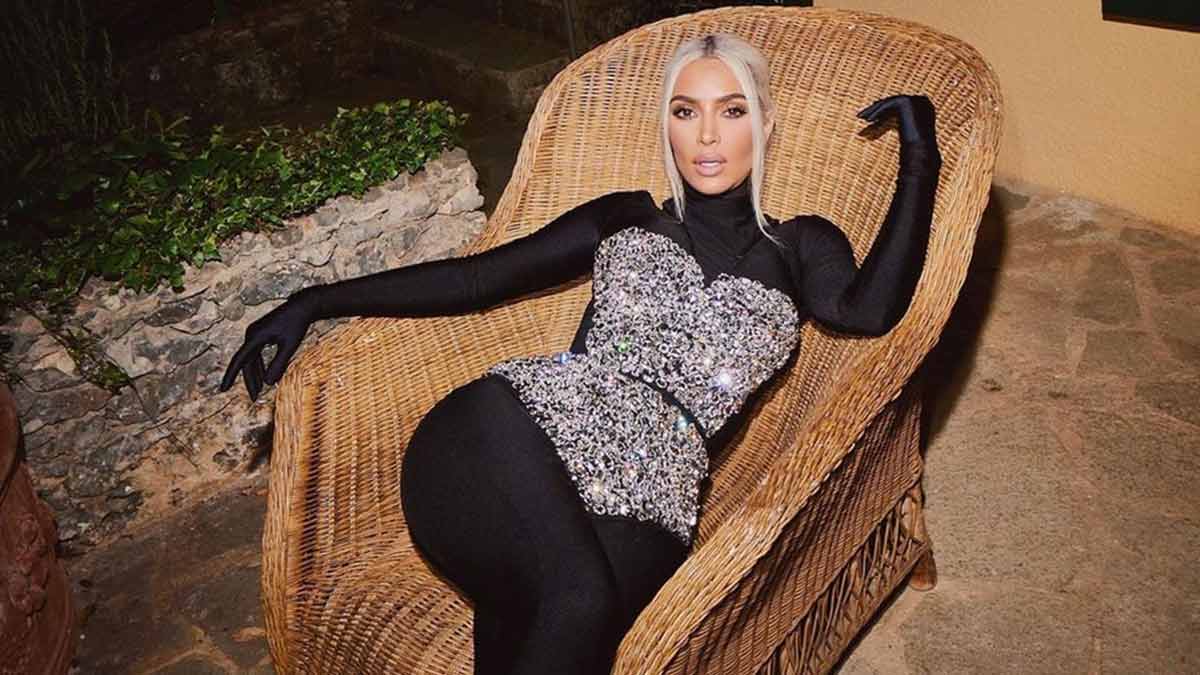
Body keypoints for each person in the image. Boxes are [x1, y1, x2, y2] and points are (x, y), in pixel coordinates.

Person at [219, 32, 940, 675]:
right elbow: (477, 279)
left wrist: (919, 156)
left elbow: (869, 310)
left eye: (732, 110)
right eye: (685, 111)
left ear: (765, 123)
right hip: (517, 427)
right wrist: (317, 299)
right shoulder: (625, 216)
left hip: (657, 486)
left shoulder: (802, 245)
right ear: (665, 125)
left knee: (548, 617)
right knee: (580, 595)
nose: (706, 135)